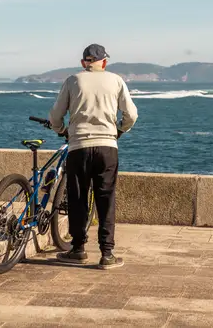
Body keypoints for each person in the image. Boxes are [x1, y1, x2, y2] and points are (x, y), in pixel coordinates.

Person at [48, 43, 138, 269]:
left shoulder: (72, 80)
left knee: (78, 198)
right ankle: (107, 254)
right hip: (107, 147)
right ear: (104, 62)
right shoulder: (116, 80)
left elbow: (56, 115)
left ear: (83, 63)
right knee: (106, 199)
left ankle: (78, 249)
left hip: (78, 146)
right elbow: (131, 114)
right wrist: (118, 130)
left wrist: (62, 131)